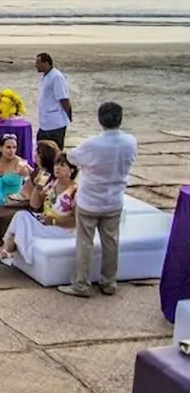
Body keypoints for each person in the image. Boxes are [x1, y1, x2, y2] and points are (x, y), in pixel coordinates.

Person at [59, 102, 138, 298]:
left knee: (84, 243)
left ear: (100, 119)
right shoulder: (130, 141)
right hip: (114, 199)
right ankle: (109, 282)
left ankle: (81, 284)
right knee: (111, 242)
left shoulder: (93, 143)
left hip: (90, 200)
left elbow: (72, 157)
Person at [0, 153, 78, 268]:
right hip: (45, 223)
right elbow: (35, 204)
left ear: (72, 170)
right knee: (21, 216)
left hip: (63, 230)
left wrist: (54, 222)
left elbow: (76, 220)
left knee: (21, 220)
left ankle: (7, 252)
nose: (57, 168)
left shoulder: (75, 190)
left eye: (62, 165)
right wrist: (38, 187)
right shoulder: (52, 184)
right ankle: (6, 252)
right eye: (56, 164)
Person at [36, 53, 72, 149]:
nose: (36, 65)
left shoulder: (56, 77)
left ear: (46, 63)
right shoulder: (47, 76)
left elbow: (64, 99)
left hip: (55, 123)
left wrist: (68, 116)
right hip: (46, 122)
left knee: (55, 149)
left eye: (38, 63)